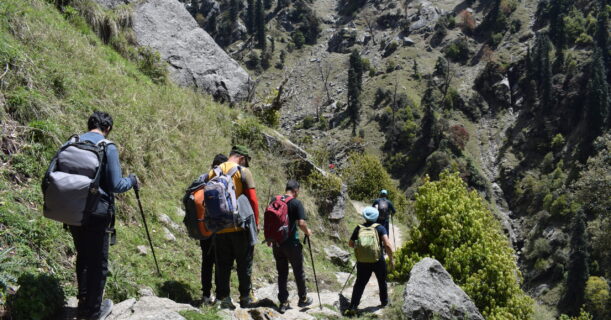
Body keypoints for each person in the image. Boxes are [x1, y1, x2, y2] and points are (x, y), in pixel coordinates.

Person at [71, 111, 138, 319]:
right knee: (98, 262)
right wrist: (132, 180)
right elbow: (117, 184)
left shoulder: (73, 141)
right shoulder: (107, 146)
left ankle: (83, 301)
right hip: (97, 212)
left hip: (72, 209)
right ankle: (93, 310)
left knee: (83, 255)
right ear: (107, 129)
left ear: (89, 124)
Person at [207, 145, 260, 309]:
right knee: (244, 263)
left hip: (220, 227)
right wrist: (256, 223)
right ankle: (245, 297)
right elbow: (252, 200)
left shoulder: (213, 172)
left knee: (222, 265)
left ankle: (224, 298)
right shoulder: (243, 171)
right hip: (239, 226)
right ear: (242, 158)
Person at [269, 180, 314, 313]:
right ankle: (303, 299)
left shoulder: (274, 200)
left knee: (282, 273)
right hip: (291, 243)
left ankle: (283, 302)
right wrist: (308, 232)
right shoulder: (296, 202)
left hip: (277, 243)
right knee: (298, 271)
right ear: (296, 190)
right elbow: (301, 223)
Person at [345, 207, 394, 316]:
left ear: (364, 217)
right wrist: (391, 259)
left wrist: (362, 248)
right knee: (382, 281)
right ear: (376, 217)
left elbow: (351, 244)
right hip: (378, 259)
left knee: (360, 283)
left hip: (362, 261)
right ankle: (384, 302)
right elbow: (387, 244)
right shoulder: (380, 228)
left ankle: (353, 306)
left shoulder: (359, 228)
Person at [196, 154, 228, 305]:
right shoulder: (223, 180)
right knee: (220, 262)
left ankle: (206, 295)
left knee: (206, 261)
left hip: (204, 227)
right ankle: (219, 296)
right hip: (219, 229)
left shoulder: (203, 178)